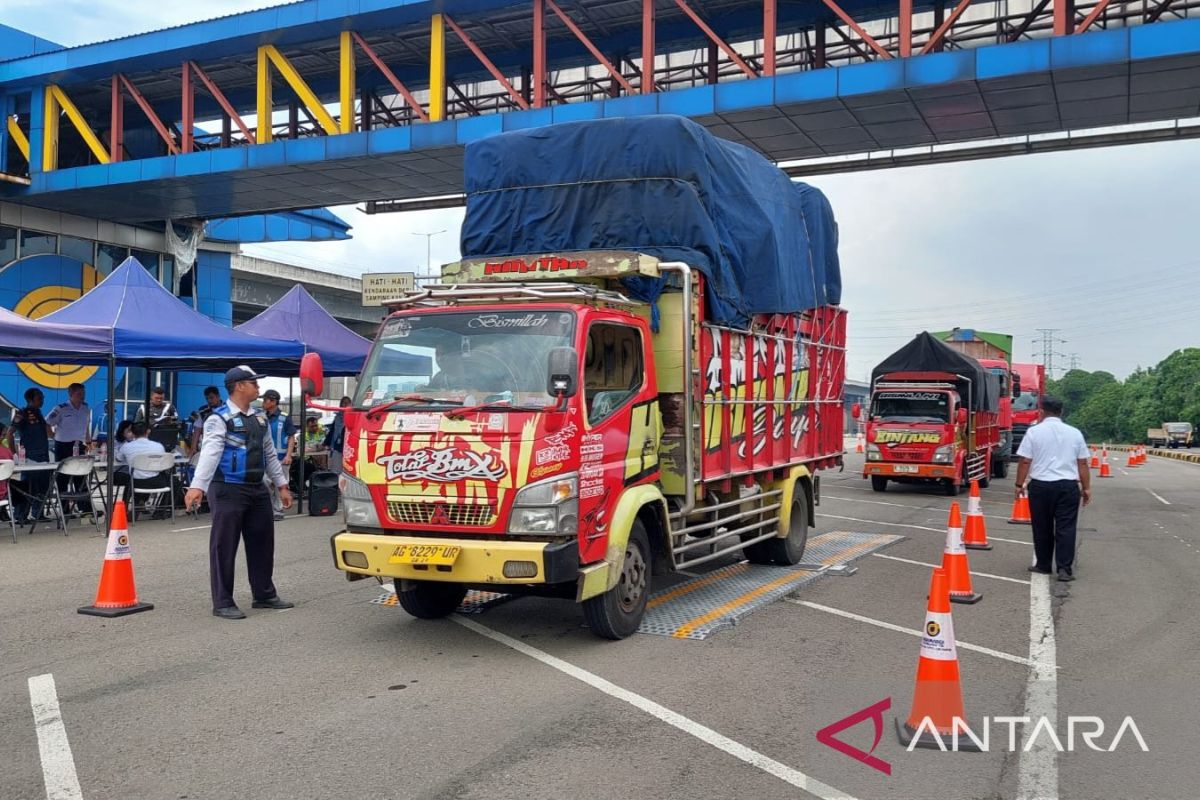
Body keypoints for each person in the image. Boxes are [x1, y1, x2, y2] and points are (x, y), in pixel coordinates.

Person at [184, 366, 293, 620]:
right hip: (227, 489)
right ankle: (223, 601)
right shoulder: (218, 419)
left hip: (257, 488)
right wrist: (197, 486)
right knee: (224, 546)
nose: (258, 387)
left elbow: (269, 454)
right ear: (240, 386)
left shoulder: (260, 418)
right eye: (254, 383)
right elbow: (209, 453)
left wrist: (282, 486)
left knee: (263, 543)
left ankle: (264, 594)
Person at [1014, 395, 1091, 582]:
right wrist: (1086, 488)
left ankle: (1044, 564)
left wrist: (1019, 484)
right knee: (1066, 527)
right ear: (1061, 412)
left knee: (1042, 526)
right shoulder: (1075, 433)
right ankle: (1064, 569)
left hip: (1041, 487)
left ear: (1041, 411)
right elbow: (1082, 463)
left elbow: (1025, 460)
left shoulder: (1034, 432)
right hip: (1067, 486)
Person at [9, 388, 53, 524]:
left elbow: (49, 433)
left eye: (42, 397)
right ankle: (20, 515)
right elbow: (10, 433)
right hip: (29, 458)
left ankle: (38, 513)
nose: (42, 401)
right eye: (39, 398)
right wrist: (14, 453)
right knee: (28, 487)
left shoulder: (39, 413)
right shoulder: (21, 414)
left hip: (44, 457)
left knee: (43, 487)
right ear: (30, 400)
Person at [47, 382, 92, 503]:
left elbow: (86, 426)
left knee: (81, 477)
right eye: (79, 393)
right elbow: (47, 423)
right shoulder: (61, 408)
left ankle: (85, 509)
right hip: (63, 446)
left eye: (83, 393)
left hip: (79, 445)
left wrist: (88, 441)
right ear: (71, 394)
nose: (82, 396)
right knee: (62, 478)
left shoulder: (86, 408)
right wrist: (53, 437)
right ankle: (65, 509)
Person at [111, 421, 170, 507]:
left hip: (135, 481)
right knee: (174, 482)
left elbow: (118, 459)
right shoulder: (159, 446)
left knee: (132, 479)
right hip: (156, 481)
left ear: (133, 433)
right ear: (148, 431)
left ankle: (129, 508)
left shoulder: (126, 446)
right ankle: (162, 510)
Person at [260, 389, 296, 521]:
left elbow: (291, 437)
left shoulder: (284, 418)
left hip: (281, 458)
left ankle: (278, 510)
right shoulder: (261, 417)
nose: (263, 403)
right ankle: (269, 508)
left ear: (273, 401)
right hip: (264, 458)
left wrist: (289, 455)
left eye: (265, 400)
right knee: (264, 483)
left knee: (279, 485)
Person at [323, 396, 352, 474]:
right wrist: (326, 443)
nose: (345, 405)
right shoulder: (337, 418)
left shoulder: (353, 417)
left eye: (348, 403)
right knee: (336, 471)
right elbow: (332, 432)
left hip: (349, 449)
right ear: (340, 405)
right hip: (337, 447)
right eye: (343, 403)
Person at [189, 386, 222, 453]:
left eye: (211, 398)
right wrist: (193, 449)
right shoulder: (202, 411)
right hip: (207, 446)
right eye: (207, 398)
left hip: (223, 445)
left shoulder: (227, 409)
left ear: (218, 396)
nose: (209, 401)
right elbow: (197, 431)